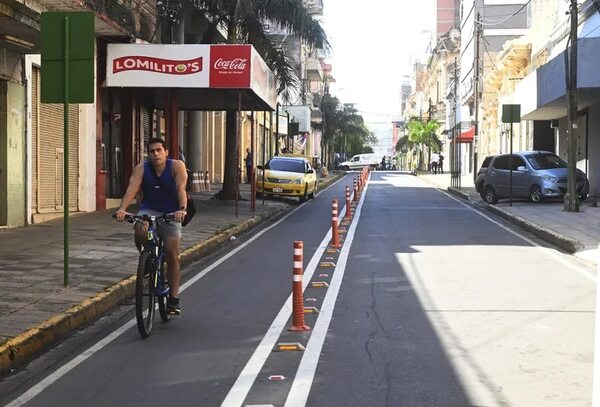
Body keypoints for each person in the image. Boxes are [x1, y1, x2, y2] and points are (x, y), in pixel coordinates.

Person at [115, 137, 188, 316]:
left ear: (166, 152)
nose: (155, 154)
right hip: (148, 209)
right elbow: (131, 189)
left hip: (171, 212)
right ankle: (146, 258)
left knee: (172, 254)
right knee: (139, 228)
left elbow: (181, 189)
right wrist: (123, 209)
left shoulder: (176, 166)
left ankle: (173, 299)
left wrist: (182, 209)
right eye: (152, 151)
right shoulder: (142, 168)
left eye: (159, 150)